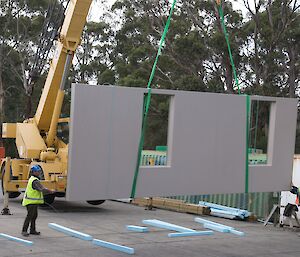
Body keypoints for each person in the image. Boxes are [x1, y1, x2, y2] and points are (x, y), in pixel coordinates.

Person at [21, 165, 55, 237]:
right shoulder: (34, 181)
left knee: (34, 216)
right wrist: (50, 191)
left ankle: (32, 230)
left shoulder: (34, 179)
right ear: (33, 172)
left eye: (39, 171)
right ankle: (24, 230)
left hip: (33, 202)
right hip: (30, 202)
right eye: (37, 171)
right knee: (30, 216)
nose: (39, 173)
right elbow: (41, 189)